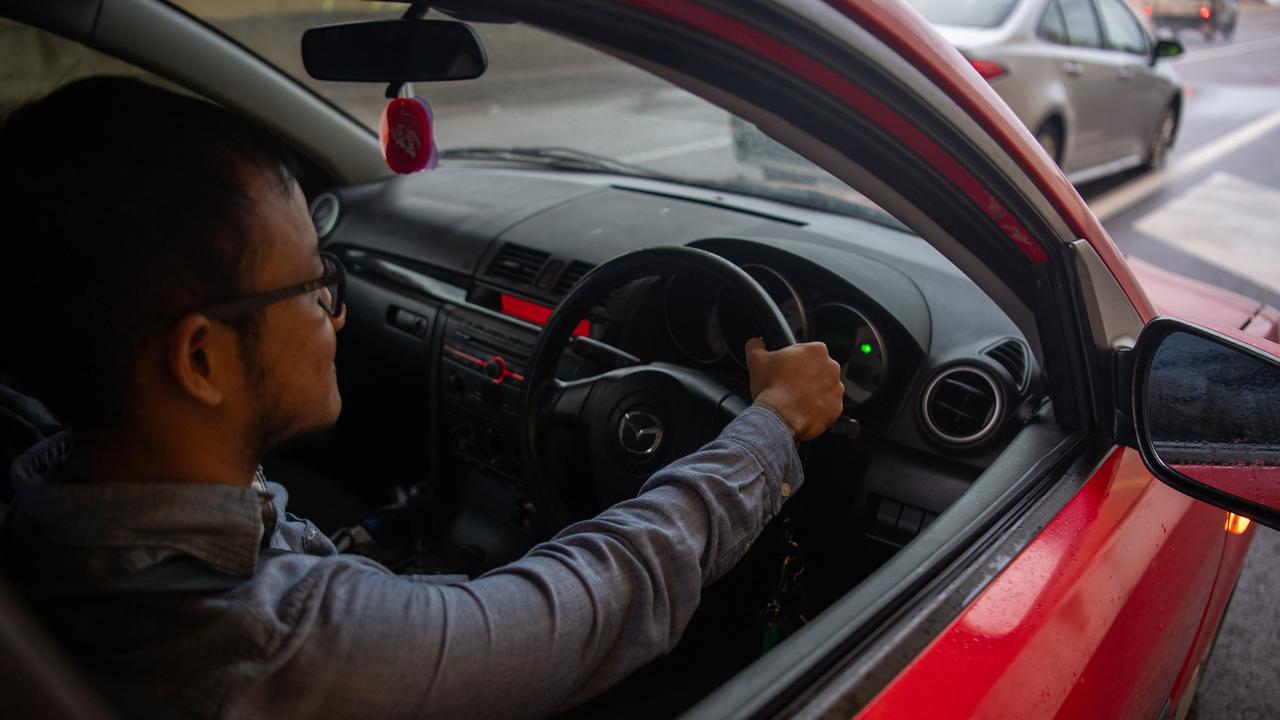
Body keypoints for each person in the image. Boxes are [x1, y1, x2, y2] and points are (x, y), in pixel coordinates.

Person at [0, 77, 844, 719]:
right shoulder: (274, 643)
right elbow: (595, 605)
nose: (335, 309)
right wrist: (771, 427)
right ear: (201, 358)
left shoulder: (36, 492)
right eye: (311, 282)